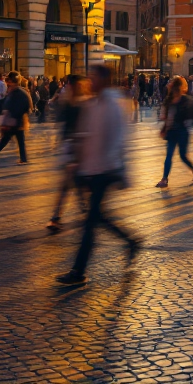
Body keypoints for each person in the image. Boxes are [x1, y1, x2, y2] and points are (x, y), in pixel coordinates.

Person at [56, 65, 140, 286]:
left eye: (93, 77)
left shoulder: (112, 105)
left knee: (91, 222)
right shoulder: (92, 103)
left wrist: (97, 169)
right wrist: (79, 162)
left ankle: (78, 271)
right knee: (96, 217)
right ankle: (131, 241)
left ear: (104, 79)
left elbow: (115, 140)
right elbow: (85, 134)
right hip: (92, 169)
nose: (90, 81)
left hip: (105, 170)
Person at [48, 74, 88, 233]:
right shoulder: (69, 103)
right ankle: (60, 215)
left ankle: (57, 216)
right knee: (70, 183)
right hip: (71, 147)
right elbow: (64, 127)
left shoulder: (84, 104)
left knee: (72, 183)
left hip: (79, 148)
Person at [156, 76, 193, 188]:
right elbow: (167, 117)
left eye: (174, 86)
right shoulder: (169, 100)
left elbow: (191, 115)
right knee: (169, 155)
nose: (172, 89)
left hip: (182, 131)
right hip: (172, 131)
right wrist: (164, 127)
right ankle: (164, 179)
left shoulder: (186, 100)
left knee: (183, 156)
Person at [0, 71, 31, 166]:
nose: (7, 84)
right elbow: (6, 102)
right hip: (15, 122)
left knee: (5, 141)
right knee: (19, 141)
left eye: (9, 81)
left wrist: (12, 117)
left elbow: (24, 107)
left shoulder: (20, 93)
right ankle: (23, 159)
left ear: (13, 82)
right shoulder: (14, 91)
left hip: (14, 122)